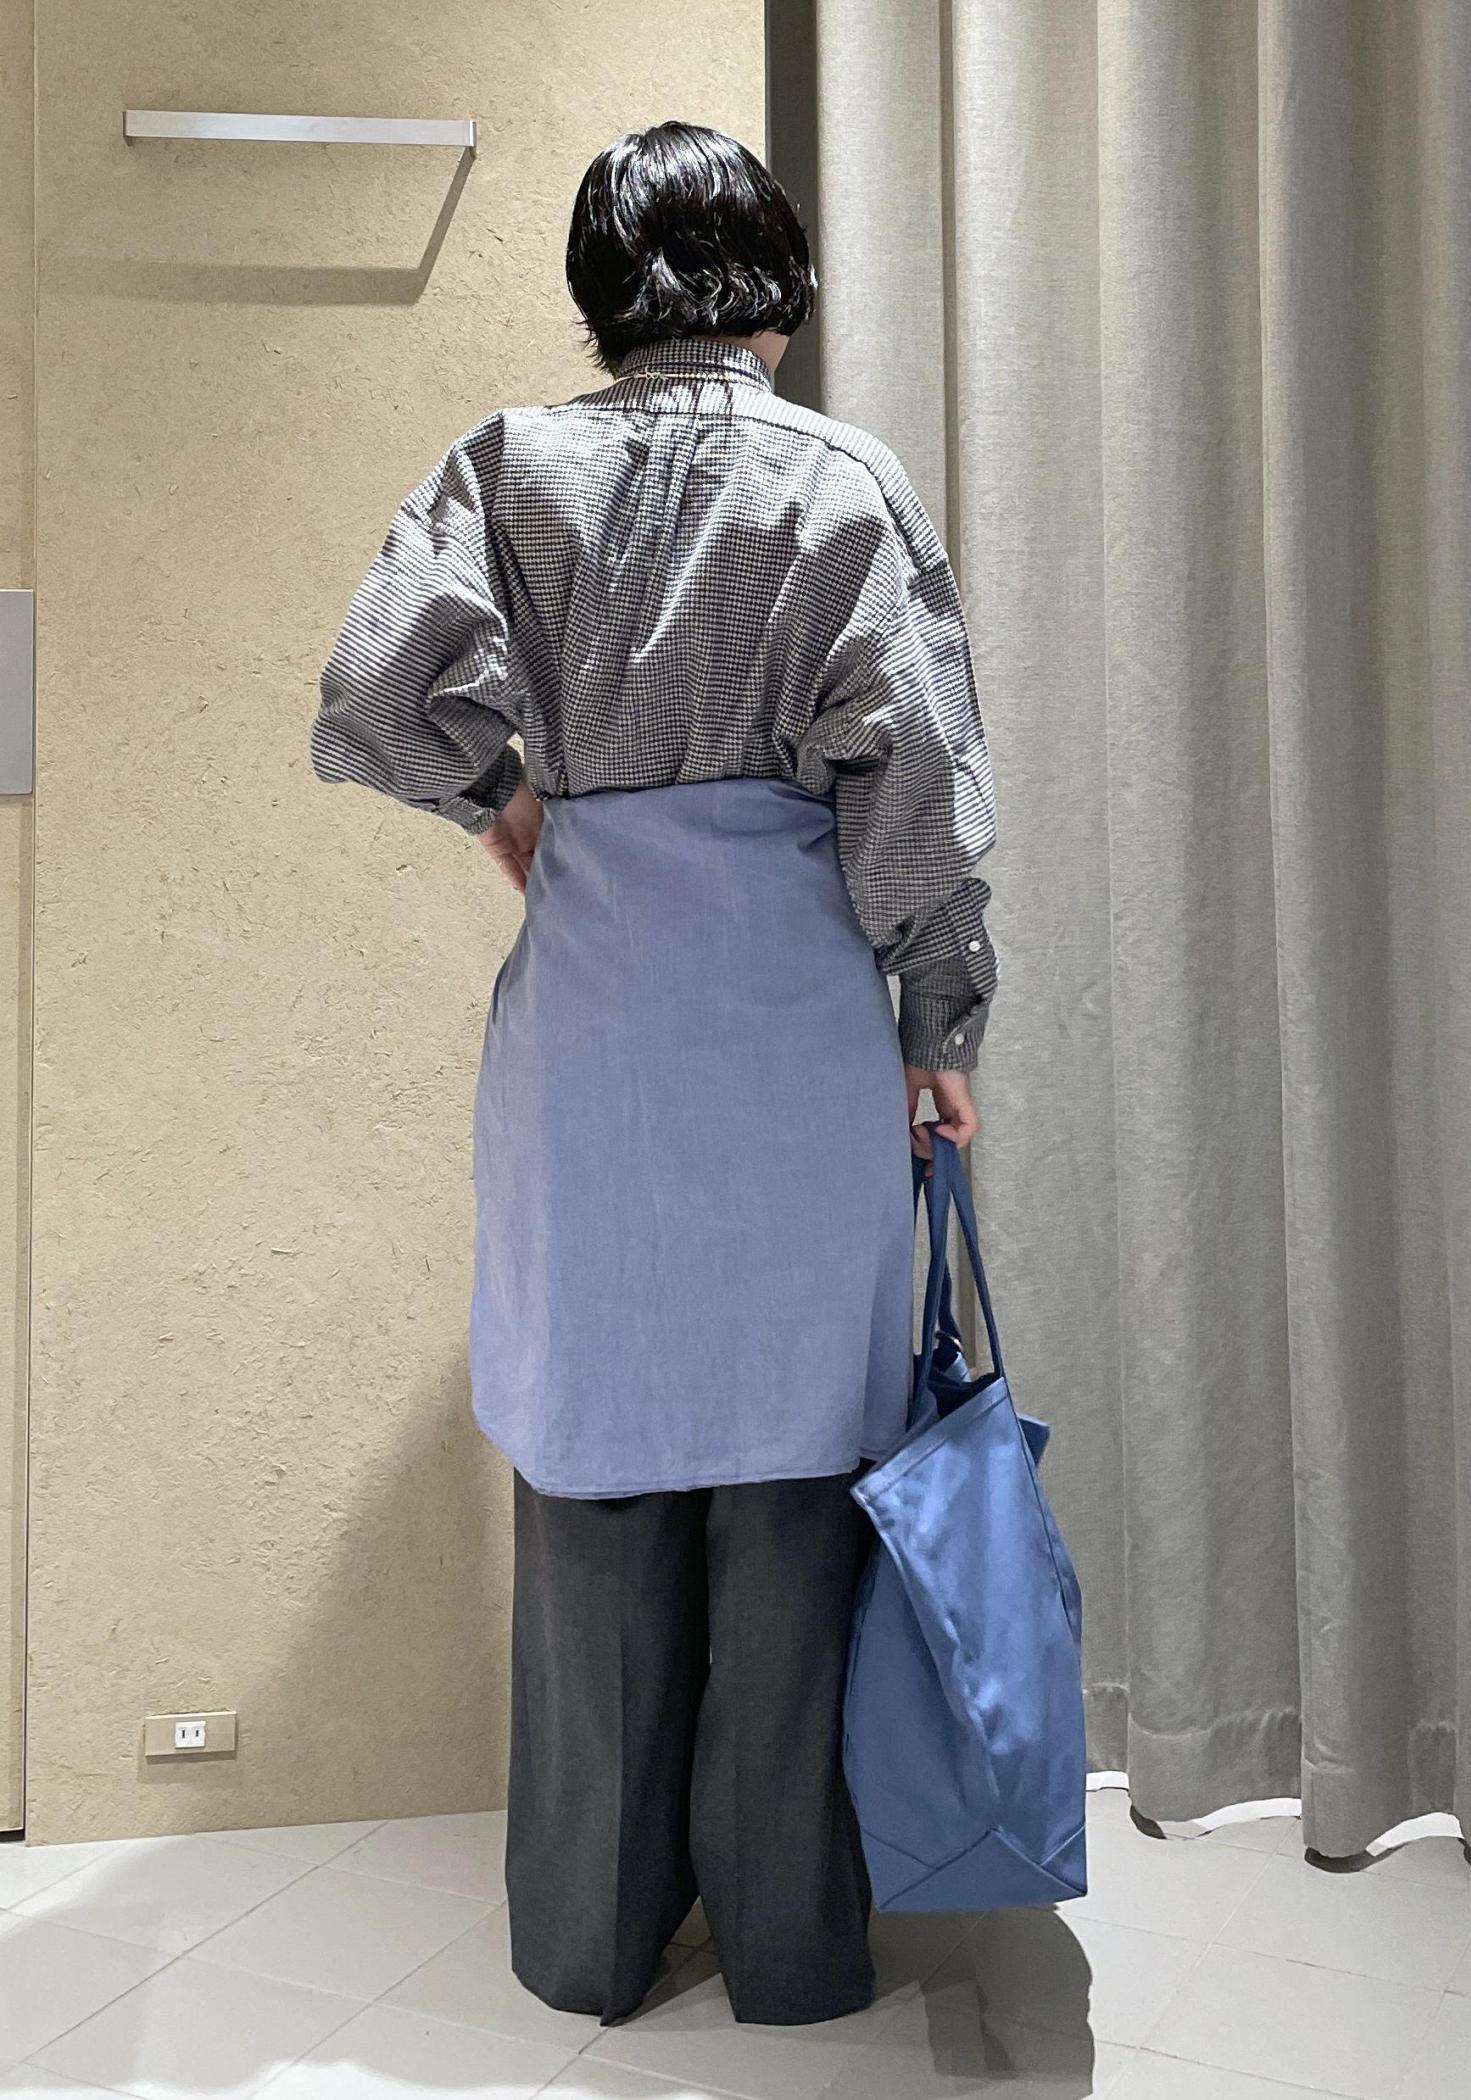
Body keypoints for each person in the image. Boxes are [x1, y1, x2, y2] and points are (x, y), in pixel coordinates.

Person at [310, 120, 997, 2029]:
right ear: (775, 282)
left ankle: (591, 1943)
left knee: (595, 1468)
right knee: (794, 1483)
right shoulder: (839, 478)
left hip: (594, 1031)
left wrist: (514, 803)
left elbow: (371, 691)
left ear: (602, 291)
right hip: (794, 1038)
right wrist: (940, 1029)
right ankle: (786, 1946)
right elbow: (920, 793)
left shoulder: (507, 466)